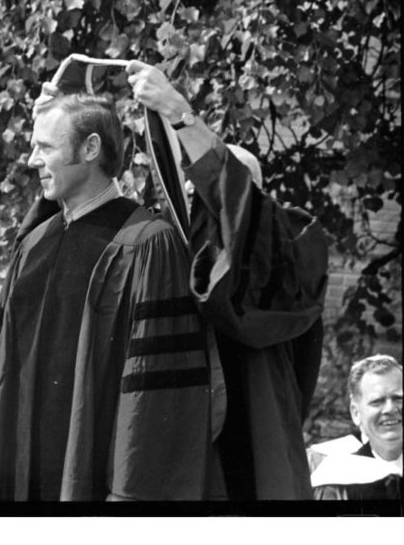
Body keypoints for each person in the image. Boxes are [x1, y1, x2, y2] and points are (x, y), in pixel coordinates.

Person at [0, 86, 216, 501]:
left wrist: (128, 494)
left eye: (45, 147)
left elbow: (153, 398)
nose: (32, 161)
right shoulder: (33, 246)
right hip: (17, 475)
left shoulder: (148, 245)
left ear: (90, 148)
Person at [127, 60, 328, 500]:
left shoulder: (291, 244)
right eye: (197, 193)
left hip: (262, 429)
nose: (210, 211)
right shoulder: (175, 252)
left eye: (223, 193)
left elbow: (243, 214)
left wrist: (180, 115)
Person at [311, 355, 403, 500]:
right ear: (356, 413)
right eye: (377, 402)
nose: (390, 409)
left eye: (399, 398)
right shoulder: (334, 479)